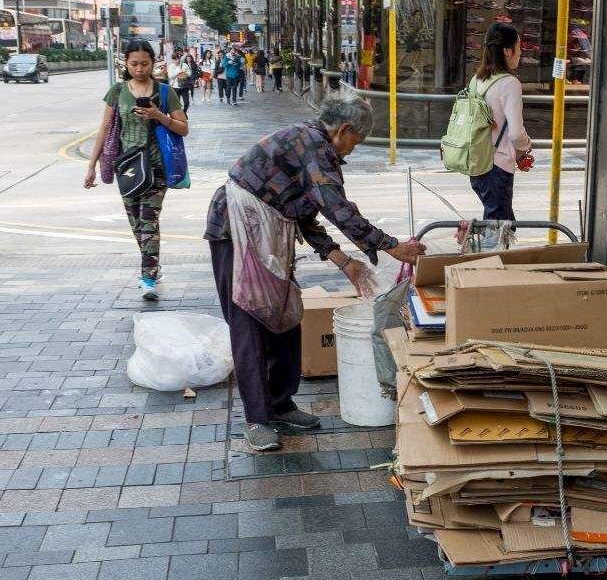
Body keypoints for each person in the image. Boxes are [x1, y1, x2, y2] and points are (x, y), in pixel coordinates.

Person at [204, 88, 426, 451]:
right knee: (250, 321)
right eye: (357, 141)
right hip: (236, 230)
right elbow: (337, 208)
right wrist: (391, 246)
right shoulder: (314, 145)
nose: (353, 149)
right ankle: (258, 419)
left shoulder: (311, 146)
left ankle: (281, 402)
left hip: (269, 232)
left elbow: (305, 214)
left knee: (286, 315)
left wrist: (344, 262)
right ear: (344, 130)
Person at [83, 40, 190, 300]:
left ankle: (148, 278)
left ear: (153, 63)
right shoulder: (117, 91)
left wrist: (158, 116)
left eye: (144, 63)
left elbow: (183, 128)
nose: (139, 68)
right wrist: (91, 167)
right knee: (135, 223)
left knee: (148, 221)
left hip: (157, 167)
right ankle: (153, 264)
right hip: (127, 168)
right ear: (126, 64)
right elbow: (105, 130)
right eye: (134, 64)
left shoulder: (166, 93)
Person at [468, 23, 531, 221]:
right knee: (498, 231)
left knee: (499, 224)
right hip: (497, 167)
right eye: (519, 47)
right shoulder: (510, 83)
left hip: (476, 164)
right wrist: (526, 146)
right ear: (507, 50)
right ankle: (488, 253)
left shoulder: (476, 80)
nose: (520, 53)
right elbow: (516, 134)